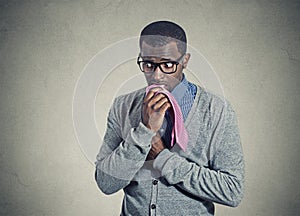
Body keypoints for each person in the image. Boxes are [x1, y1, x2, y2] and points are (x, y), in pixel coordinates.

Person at [95, 21, 245, 216]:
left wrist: (163, 159)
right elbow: (106, 183)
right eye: (148, 64)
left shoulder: (216, 111)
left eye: (167, 65)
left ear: (185, 61)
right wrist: (143, 133)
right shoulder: (123, 106)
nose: (157, 75)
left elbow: (232, 190)